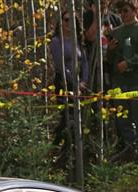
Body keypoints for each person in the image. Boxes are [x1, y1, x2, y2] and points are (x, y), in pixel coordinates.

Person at [107, 0, 138, 163]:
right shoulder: (116, 32)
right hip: (120, 82)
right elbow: (109, 60)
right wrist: (111, 51)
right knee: (123, 121)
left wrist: (128, 63)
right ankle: (130, 152)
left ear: (135, 11)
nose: (124, 14)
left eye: (126, 11)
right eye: (121, 11)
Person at [50, 11, 88, 169]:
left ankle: (69, 155)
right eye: (66, 20)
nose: (68, 23)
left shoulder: (78, 41)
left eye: (72, 20)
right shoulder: (56, 41)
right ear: (61, 22)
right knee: (65, 118)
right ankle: (54, 150)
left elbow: (84, 62)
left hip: (79, 86)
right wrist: (73, 84)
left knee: (76, 120)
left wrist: (83, 81)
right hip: (63, 84)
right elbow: (60, 64)